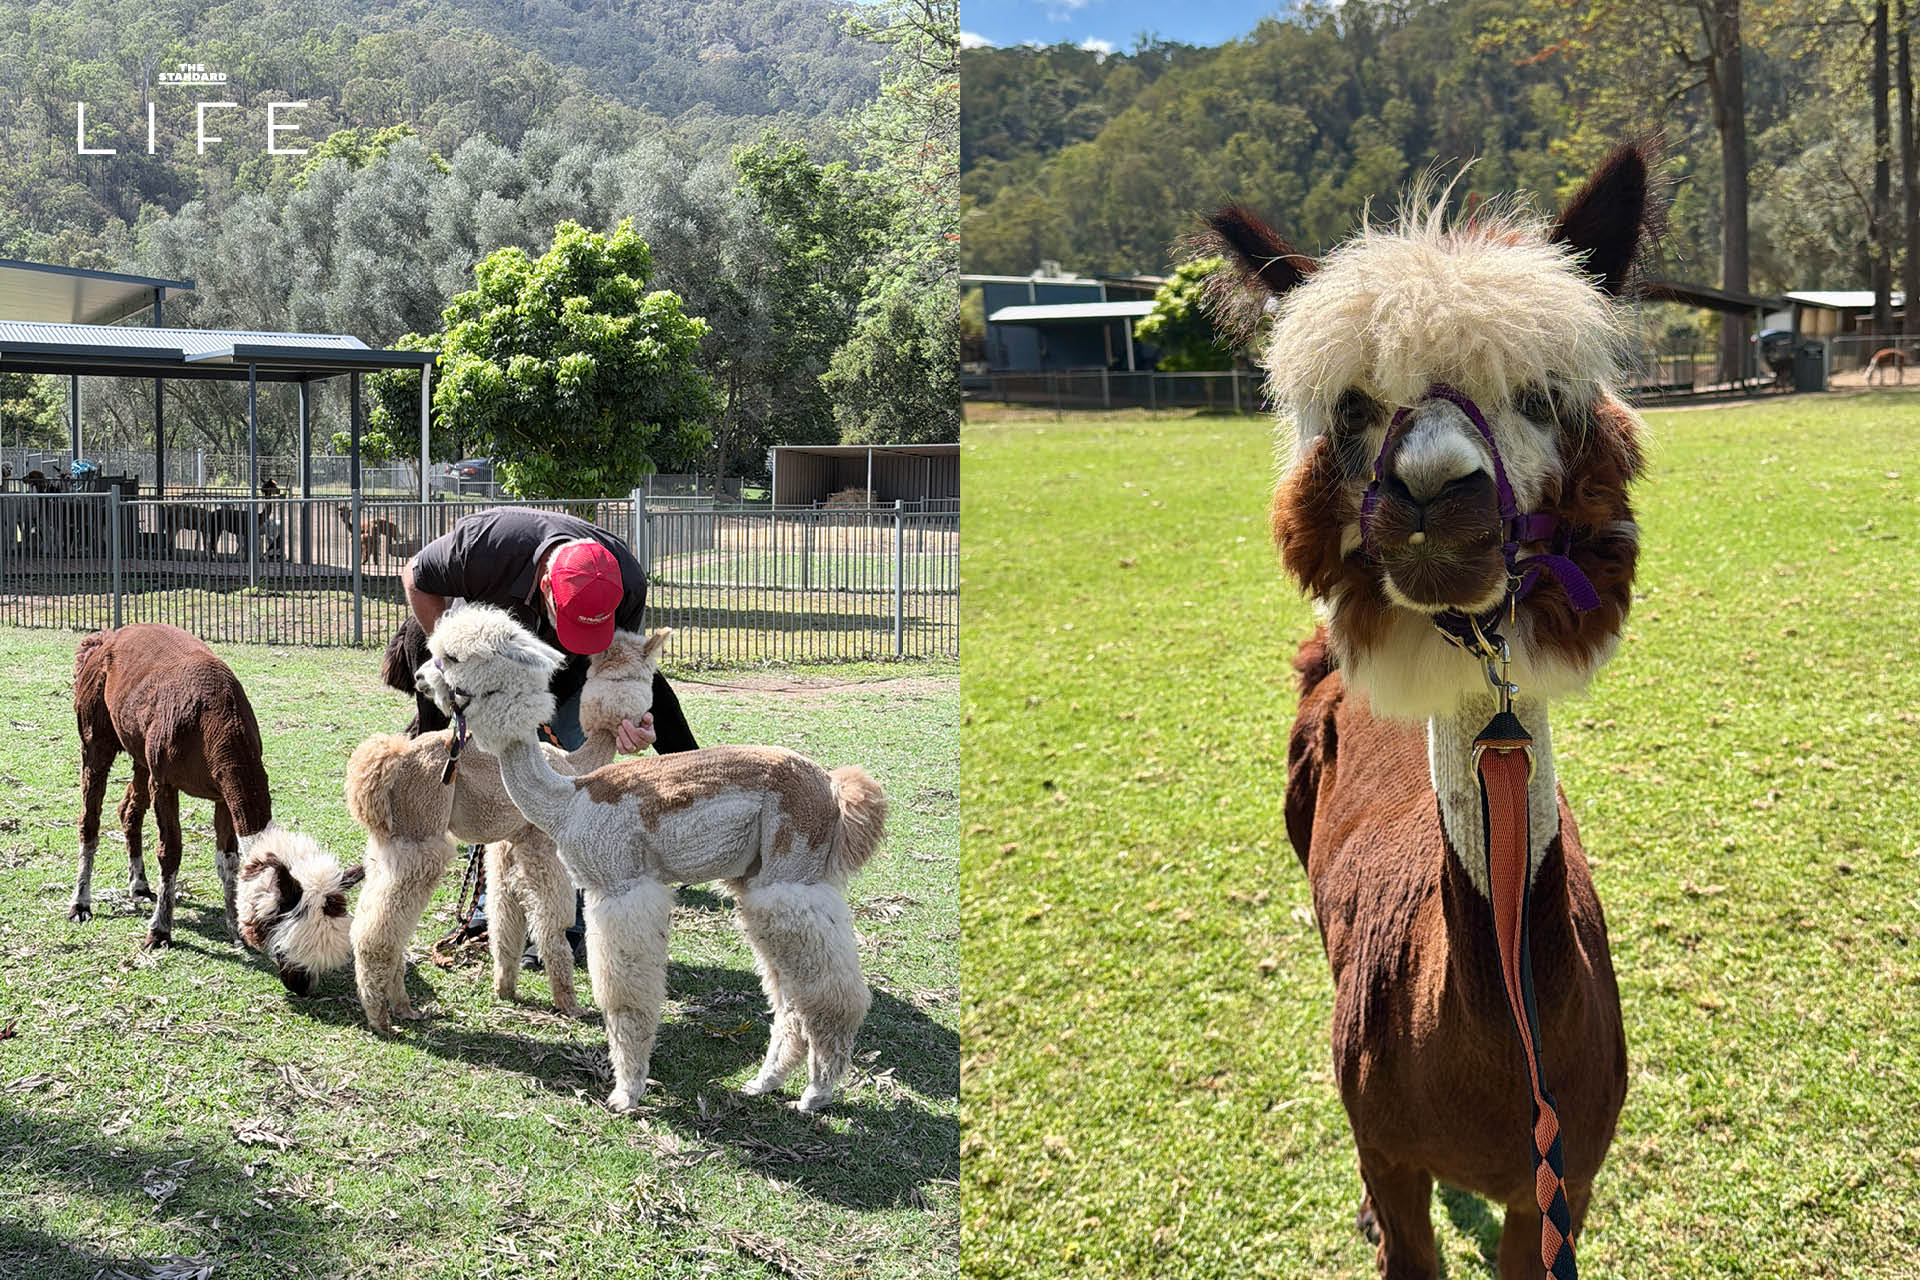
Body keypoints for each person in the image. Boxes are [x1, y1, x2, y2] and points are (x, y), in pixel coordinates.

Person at [401, 505, 698, 962]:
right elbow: (416, 578)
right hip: (492, 665)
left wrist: (626, 720)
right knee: (498, 775)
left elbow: (618, 664)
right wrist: (453, 661)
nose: (574, 634)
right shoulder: (489, 546)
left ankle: (559, 925)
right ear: (545, 588)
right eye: (572, 622)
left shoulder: (629, 581)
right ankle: (492, 906)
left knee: (568, 780)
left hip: (576, 672)